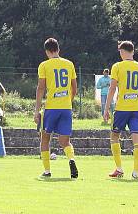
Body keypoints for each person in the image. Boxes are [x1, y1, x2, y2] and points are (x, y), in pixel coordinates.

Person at [104, 41, 138, 179]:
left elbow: (112, 89)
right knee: (137, 140)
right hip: (136, 109)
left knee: (114, 137)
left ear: (122, 52)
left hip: (122, 108)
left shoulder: (117, 66)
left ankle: (119, 168)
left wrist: (106, 108)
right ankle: (135, 172)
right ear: (133, 51)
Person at [35, 38, 78, 179]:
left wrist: (36, 110)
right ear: (58, 49)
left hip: (51, 108)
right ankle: (71, 159)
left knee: (45, 139)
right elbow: (74, 89)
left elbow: (41, 88)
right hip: (66, 108)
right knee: (65, 141)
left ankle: (47, 171)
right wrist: (67, 101)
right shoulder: (69, 64)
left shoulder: (44, 65)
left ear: (47, 52)